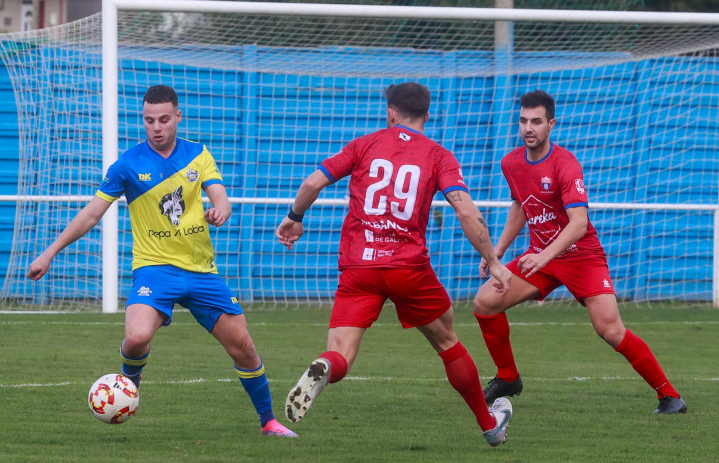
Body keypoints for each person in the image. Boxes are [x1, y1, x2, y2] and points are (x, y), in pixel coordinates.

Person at [27, 84, 298, 437]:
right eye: (149, 120)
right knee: (137, 337)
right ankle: (129, 386)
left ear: (178, 117)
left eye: (164, 119)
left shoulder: (198, 155)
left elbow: (222, 199)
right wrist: (49, 253)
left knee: (244, 347)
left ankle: (269, 422)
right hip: (155, 269)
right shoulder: (127, 165)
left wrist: (221, 211)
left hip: (201, 272)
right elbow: (92, 214)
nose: (157, 127)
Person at [276, 82, 515, 447]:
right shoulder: (438, 155)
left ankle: (325, 367)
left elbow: (312, 182)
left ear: (390, 112)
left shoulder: (364, 144)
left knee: (340, 350)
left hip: (360, 266)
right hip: (409, 268)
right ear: (428, 115)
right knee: (447, 341)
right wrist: (493, 261)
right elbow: (465, 210)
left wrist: (295, 217)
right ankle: (489, 425)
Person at [472, 89, 687, 415]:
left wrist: (544, 256)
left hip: (581, 257)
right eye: (523, 121)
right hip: (540, 257)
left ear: (551, 124)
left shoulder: (565, 164)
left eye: (537, 122)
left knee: (610, 330)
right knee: (485, 303)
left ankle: (670, 397)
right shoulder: (511, 163)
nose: (529, 128)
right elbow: (520, 204)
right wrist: (497, 251)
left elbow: (579, 224)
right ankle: (508, 377)